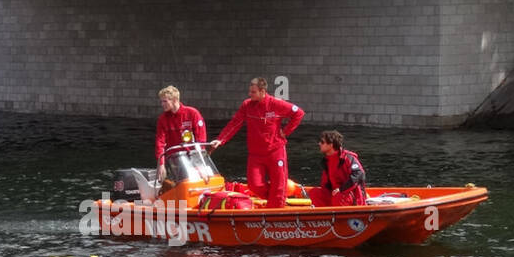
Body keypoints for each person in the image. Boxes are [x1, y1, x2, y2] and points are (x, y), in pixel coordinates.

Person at [208, 76, 304, 206]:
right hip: (256, 153)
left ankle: (276, 209)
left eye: (253, 92)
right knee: (254, 185)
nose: (250, 94)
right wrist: (221, 140)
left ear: (262, 91)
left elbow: (298, 113)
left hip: (275, 150)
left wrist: (285, 131)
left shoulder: (276, 104)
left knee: (279, 184)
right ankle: (275, 201)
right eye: (250, 91)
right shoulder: (247, 105)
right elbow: (235, 123)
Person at [154, 85, 208, 183]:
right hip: (174, 160)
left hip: (192, 157)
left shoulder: (192, 113)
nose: (162, 104)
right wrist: (161, 164)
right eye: (161, 101)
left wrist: (200, 164)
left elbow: (201, 140)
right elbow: (160, 142)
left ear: (174, 100)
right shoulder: (162, 119)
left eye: (165, 101)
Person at [308, 129, 367, 207]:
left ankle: (338, 217)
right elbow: (327, 184)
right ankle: (323, 215)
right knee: (314, 192)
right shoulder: (327, 161)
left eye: (322, 142)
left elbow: (359, 174)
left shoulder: (348, 158)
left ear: (331, 145)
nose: (319, 144)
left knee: (338, 196)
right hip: (335, 193)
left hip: (349, 195)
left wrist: (341, 189)